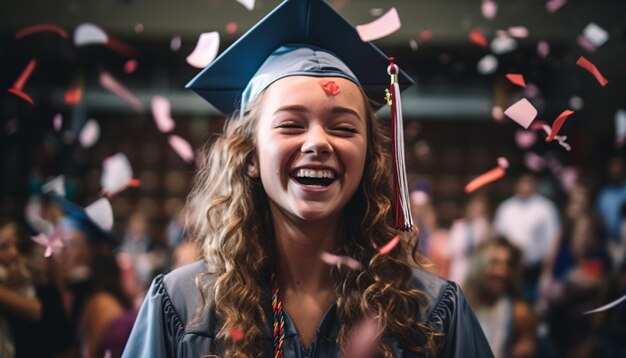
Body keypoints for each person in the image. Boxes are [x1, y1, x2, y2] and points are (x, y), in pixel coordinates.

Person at [123, 0, 493, 356]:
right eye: (290, 124)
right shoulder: (183, 306)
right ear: (250, 155)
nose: (318, 142)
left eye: (344, 127)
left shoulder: (430, 312)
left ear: (369, 158)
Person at [53, 197, 135, 358]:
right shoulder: (83, 294)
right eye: (60, 244)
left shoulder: (100, 302)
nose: (62, 253)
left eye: (71, 244)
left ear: (91, 251)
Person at [463, 238, 536, 358]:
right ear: (479, 265)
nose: (502, 272)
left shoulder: (519, 313)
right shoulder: (460, 306)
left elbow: (528, 347)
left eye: (507, 264)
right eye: (495, 263)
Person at [494, 173, 561, 303]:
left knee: (532, 302)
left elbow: (554, 237)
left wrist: (548, 268)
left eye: (528, 182)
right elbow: (499, 237)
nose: (524, 186)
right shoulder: (506, 208)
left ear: (534, 184)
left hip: (534, 267)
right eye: (522, 182)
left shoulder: (546, 208)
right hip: (510, 266)